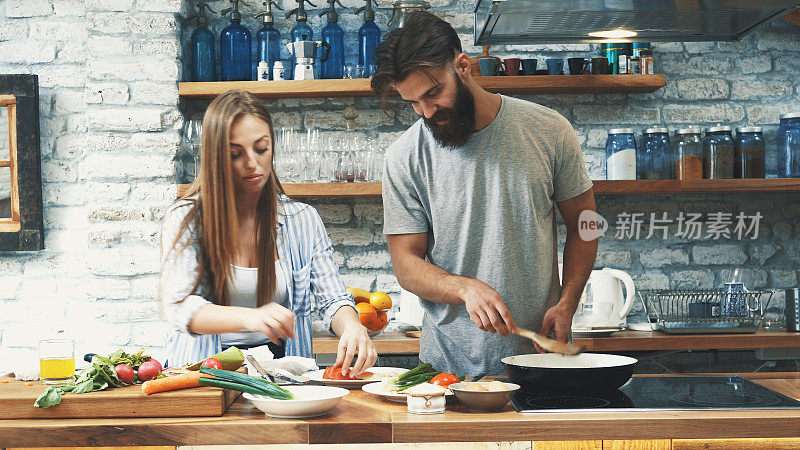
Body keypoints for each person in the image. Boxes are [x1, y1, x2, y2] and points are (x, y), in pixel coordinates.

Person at [371, 12, 599, 375]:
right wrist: (464, 288)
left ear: (464, 66)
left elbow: (586, 223)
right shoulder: (404, 156)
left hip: (538, 359)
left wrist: (568, 301)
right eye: (413, 103)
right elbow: (407, 265)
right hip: (446, 371)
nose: (427, 112)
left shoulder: (549, 130)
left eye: (433, 94)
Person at [159, 89, 376, 377]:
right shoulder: (186, 218)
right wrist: (252, 317)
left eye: (261, 149)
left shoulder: (302, 219)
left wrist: (351, 325)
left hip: (281, 371)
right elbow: (181, 308)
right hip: (204, 371)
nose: (252, 163)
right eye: (236, 154)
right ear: (215, 159)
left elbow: (333, 299)